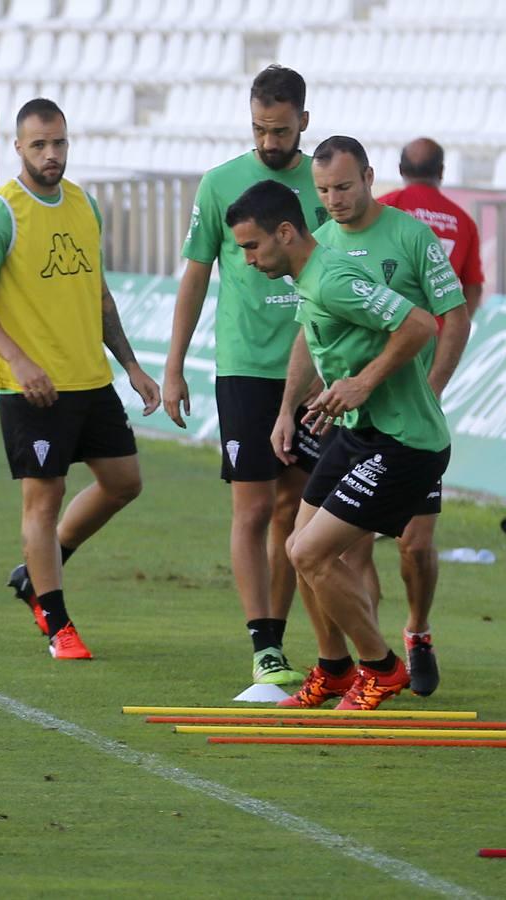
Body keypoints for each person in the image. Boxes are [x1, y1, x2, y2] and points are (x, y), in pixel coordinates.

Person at [226, 178, 447, 711]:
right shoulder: (309, 279)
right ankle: (335, 669)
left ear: (285, 233)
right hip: (360, 433)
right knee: (297, 549)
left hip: (406, 443)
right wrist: (290, 408)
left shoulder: (333, 280)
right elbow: (309, 339)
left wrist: (362, 383)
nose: (248, 259)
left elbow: (421, 325)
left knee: (309, 551)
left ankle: (381, 668)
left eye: (252, 246)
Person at [0, 98, 161, 661]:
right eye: (40, 144)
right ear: (19, 148)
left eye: (60, 143)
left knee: (124, 483)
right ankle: (55, 620)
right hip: (33, 386)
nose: (52, 154)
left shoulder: (83, 206)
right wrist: (20, 362)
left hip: (90, 378)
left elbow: (98, 295)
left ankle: (39, 569)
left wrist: (131, 365)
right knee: (43, 502)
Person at [164, 65, 329, 687]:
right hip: (243, 367)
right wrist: (174, 367)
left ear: (303, 123)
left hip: (313, 368)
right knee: (253, 505)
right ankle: (262, 642)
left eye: (281, 130)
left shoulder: (323, 185)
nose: (269, 141)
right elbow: (195, 275)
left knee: (296, 505)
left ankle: (283, 638)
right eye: (259, 128)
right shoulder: (220, 185)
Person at [309, 136, 468, 697]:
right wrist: (307, 400)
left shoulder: (410, 235)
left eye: (344, 187)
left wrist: (433, 386)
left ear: (371, 177)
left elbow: (453, 315)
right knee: (332, 548)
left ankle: (417, 632)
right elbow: (313, 337)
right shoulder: (320, 244)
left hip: (410, 427)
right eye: (324, 190)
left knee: (415, 544)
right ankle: (358, 665)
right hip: (356, 430)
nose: (334, 199)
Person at [379, 138, 485, 319]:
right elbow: (473, 287)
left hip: (384, 331)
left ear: (400, 169)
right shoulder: (463, 221)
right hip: (438, 338)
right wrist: (455, 334)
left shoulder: (381, 208)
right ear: (441, 171)